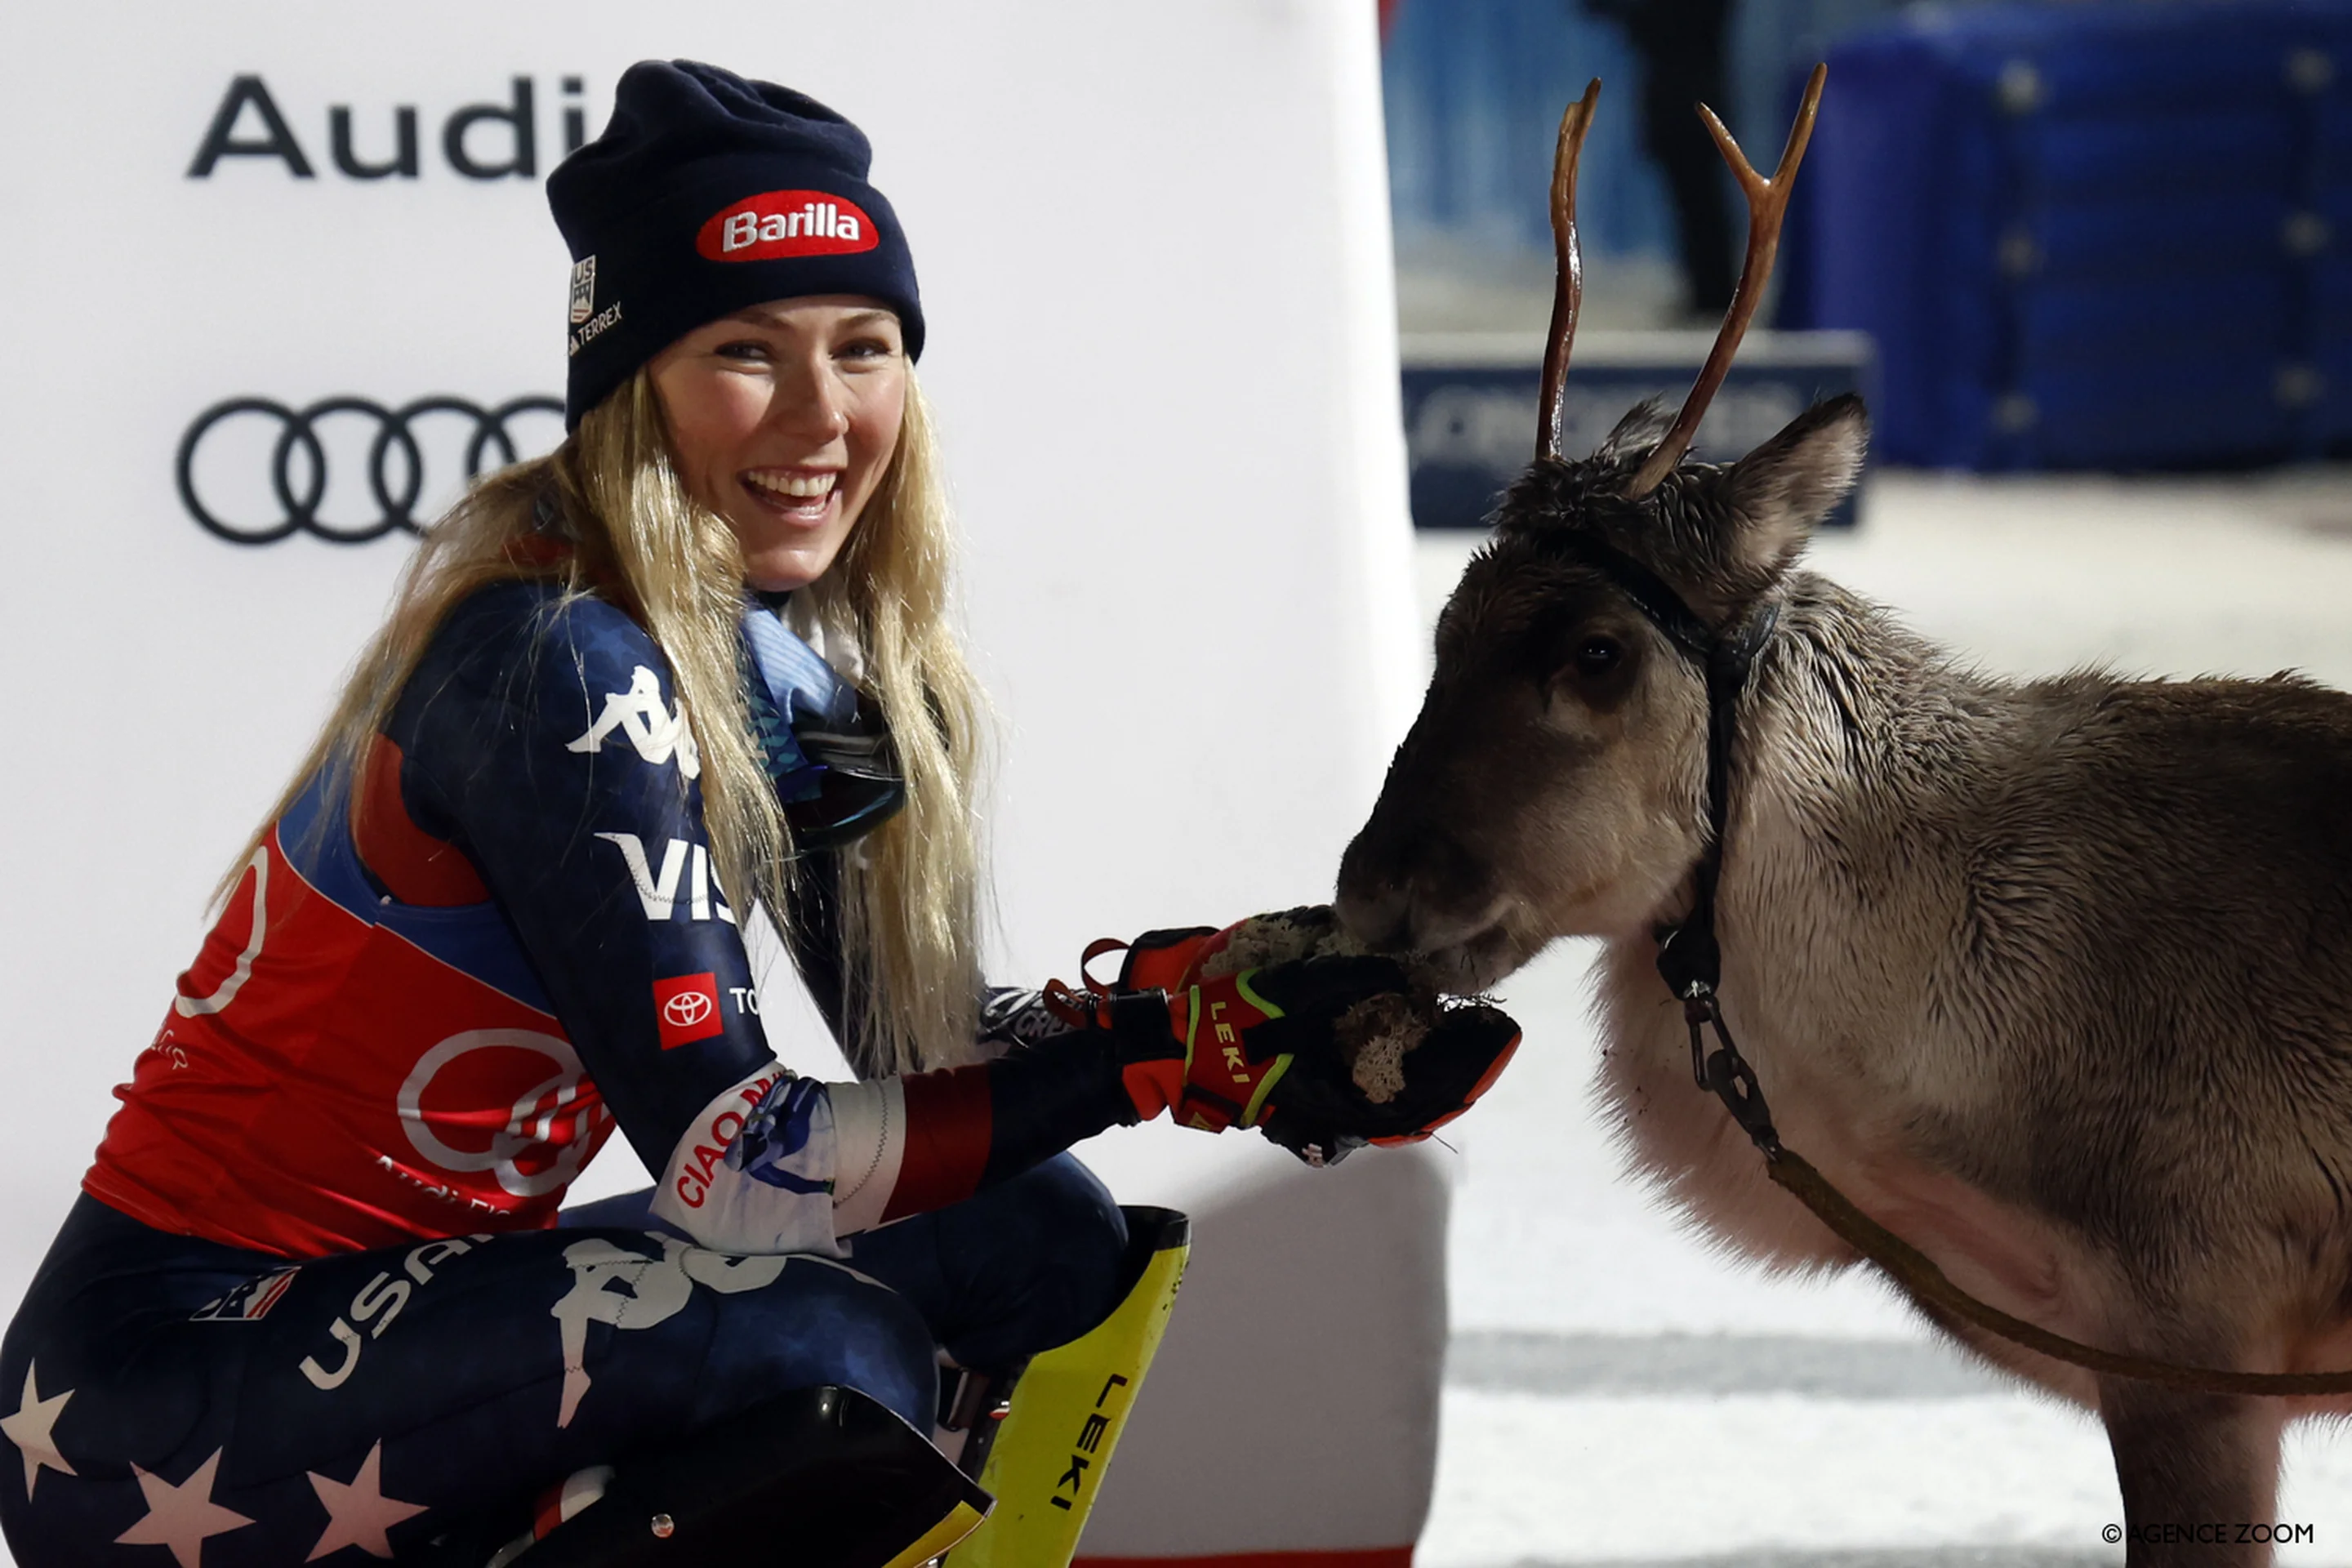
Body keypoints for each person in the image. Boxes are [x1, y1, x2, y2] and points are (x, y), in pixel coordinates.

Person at [0, 61, 1516, 1568]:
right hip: (157, 1395)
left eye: (864, 348)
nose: (822, 413)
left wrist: (1202, 1003)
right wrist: (1151, 1060)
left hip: (399, 1308)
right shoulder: (558, 656)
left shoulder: (786, 674)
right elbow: (743, 1160)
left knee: (1037, 1234)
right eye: (745, 349)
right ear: (632, 385)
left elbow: (929, 1054)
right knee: (805, 1350)